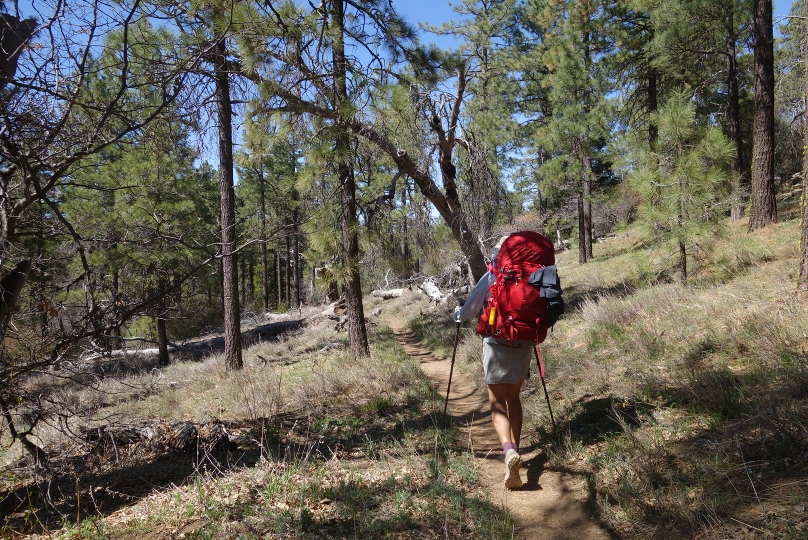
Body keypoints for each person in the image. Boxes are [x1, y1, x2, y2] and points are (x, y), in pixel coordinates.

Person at [452, 236, 532, 489]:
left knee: (497, 402)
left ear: (501, 252)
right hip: (525, 341)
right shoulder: (534, 274)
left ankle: (509, 452)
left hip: (496, 342)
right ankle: (516, 448)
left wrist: (457, 314)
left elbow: (468, 311)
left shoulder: (493, 276)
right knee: (514, 399)